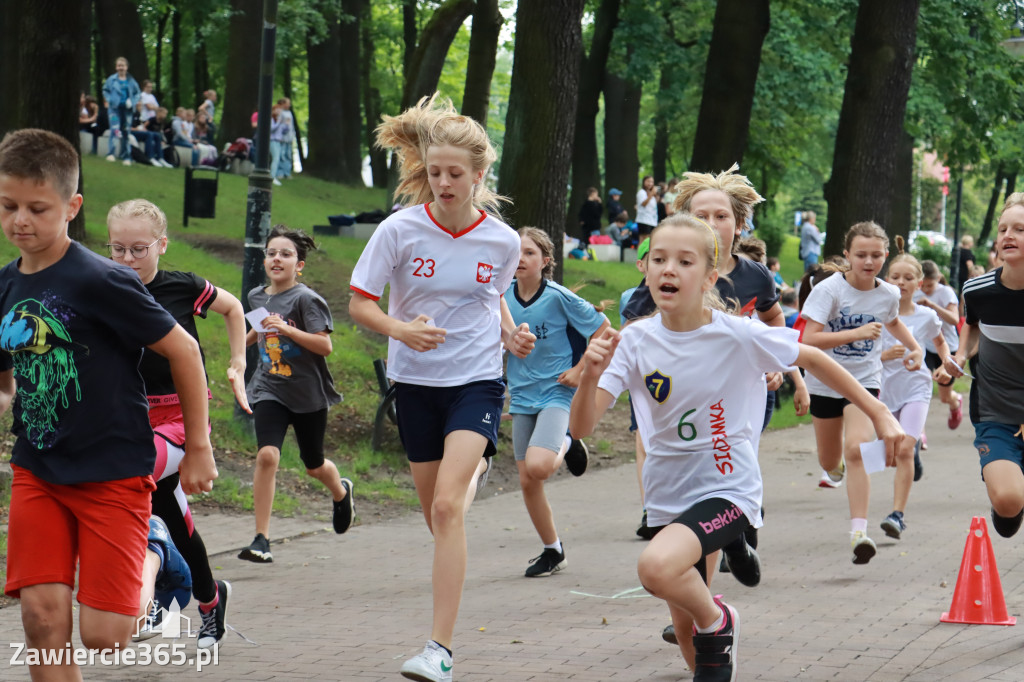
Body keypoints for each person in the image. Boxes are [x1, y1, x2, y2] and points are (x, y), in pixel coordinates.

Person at [569, 213, 912, 681]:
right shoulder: (633, 341)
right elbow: (583, 425)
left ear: (710, 276)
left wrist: (879, 413)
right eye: (659, 259)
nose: (668, 269)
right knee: (689, 639)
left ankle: (721, 618)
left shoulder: (736, 333)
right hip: (668, 494)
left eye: (684, 261)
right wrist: (589, 375)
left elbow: (810, 356)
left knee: (656, 569)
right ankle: (711, 630)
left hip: (728, 489)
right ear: (645, 270)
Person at [0, 128, 217, 678]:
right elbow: (6, 384)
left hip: (112, 470)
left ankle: (158, 551)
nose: (20, 220)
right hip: (39, 469)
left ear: (72, 207)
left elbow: (186, 352)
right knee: (42, 620)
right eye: (8, 206)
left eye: (36, 208)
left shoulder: (103, 279)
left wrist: (199, 448)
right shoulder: (4, 287)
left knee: (104, 637)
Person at [349, 94, 536, 682]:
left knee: (449, 506)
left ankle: (439, 650)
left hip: (477, 381)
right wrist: (400, 328)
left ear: (480, 175)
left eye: (456, 173)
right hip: (416, 383)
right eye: (434, 172)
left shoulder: (502, 242)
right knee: (438, 516)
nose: (444, 183)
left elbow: (491, 300)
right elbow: (359, 304)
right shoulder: (399, 230)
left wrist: (511, 337)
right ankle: (476, 468)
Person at [106, 198, 247, 648]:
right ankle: (210, 600)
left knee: (129, 483)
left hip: (182, 417)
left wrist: (238, 360)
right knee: (177, 521)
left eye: (139, 249)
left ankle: (152, 595)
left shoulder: (183, 287)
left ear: (161, 245)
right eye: (118, 249)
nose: (128, 260)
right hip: (132, 417)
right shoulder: (104, 289)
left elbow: (234, 308)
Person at [800, 221, 923, 564]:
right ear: (847, 256)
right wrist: (853, 334)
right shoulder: (830, 290)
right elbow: (808, 340)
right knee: (830, 461)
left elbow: (893, 321)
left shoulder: (888, 293)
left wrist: (914, 347)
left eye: (875, 255)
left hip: (865, 381)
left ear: (885, 255)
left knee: (856, 449)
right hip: (824, 380)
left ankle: (859, 532)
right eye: (861, 255)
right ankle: (832, 466)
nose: (868, 262)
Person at [239, 225, 354, 564]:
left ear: (299, 265)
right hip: (269, 387)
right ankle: (262, 539)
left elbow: (325, 345)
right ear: (264, 260)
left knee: (314, 465)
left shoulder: (306, 299)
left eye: (286, 254)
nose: (277, 259)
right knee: (267, 457)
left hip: (307, 395)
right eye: (272, 253)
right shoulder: (257, 296)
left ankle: (340, 491)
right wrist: (236, 351)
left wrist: (287, 328)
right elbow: (256, 332)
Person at [505, 227, 609, 577]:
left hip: (556, 391)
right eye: (516, 252)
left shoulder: (559, 296)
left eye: (530, 253)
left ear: (545, 261)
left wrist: (580, 369)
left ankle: (569, 438)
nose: (521, 258)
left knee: (540, 467)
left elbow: (604, 329)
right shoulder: (501, 297)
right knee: (527, 481)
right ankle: (553, 550)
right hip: (521, 395)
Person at [946, 193, 1024, 540]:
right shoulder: (977, 290)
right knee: (1008, 502)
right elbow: (972, 324)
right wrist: (960, 356)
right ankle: (1008, 497)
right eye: (1004, 228)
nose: (1009, 235)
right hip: (996, 412)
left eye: (1020, 229)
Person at [877, 237, 951, 537]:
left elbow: (941, 343)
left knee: (904, 450)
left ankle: (897, 515)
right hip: (883, 390)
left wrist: (945, 363)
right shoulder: (878, 314)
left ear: (919, 283)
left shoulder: (927, 316)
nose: (902, 282)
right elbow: (863, 352)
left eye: (909, 278)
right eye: (895, 277)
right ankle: (913, 452)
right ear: (886, 280)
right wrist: (884, 355)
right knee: (889, 454)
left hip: (917, 388)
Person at [915, 260, 963, 435]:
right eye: (923, 285)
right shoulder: (914, 292)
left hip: (947, 346)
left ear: (938, 280)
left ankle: (955, 402)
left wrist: (932, 306)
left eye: (930, 285)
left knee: (944, 396)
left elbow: (954, 319)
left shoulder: (946, 292)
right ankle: (919, 432)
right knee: (921, 384)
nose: (926, 289)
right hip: (925, 345)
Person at [102, 56, 141, 166]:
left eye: (122, 65)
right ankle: (111, 153)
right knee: (115, 130)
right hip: (114, 110)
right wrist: (110, 100)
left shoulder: (131, 81)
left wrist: (132, 101)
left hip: (127, 111)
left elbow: (137, 94)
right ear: (116, 67)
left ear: (126, 67)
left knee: (126, 132)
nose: (120, 68)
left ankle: (126, 156)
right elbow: (105, 90)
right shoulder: (111, 79)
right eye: (119, 65)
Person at [275, 98, 295, 180]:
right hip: (282, 138)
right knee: (281, 155)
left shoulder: (289, 113)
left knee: (288, 155)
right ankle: (280, 173)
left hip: (289, 139)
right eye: (288, 103)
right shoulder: (280, 112)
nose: (289, 105)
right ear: (283, 103)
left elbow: (292, 126)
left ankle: (287, 172)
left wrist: (292, 135)